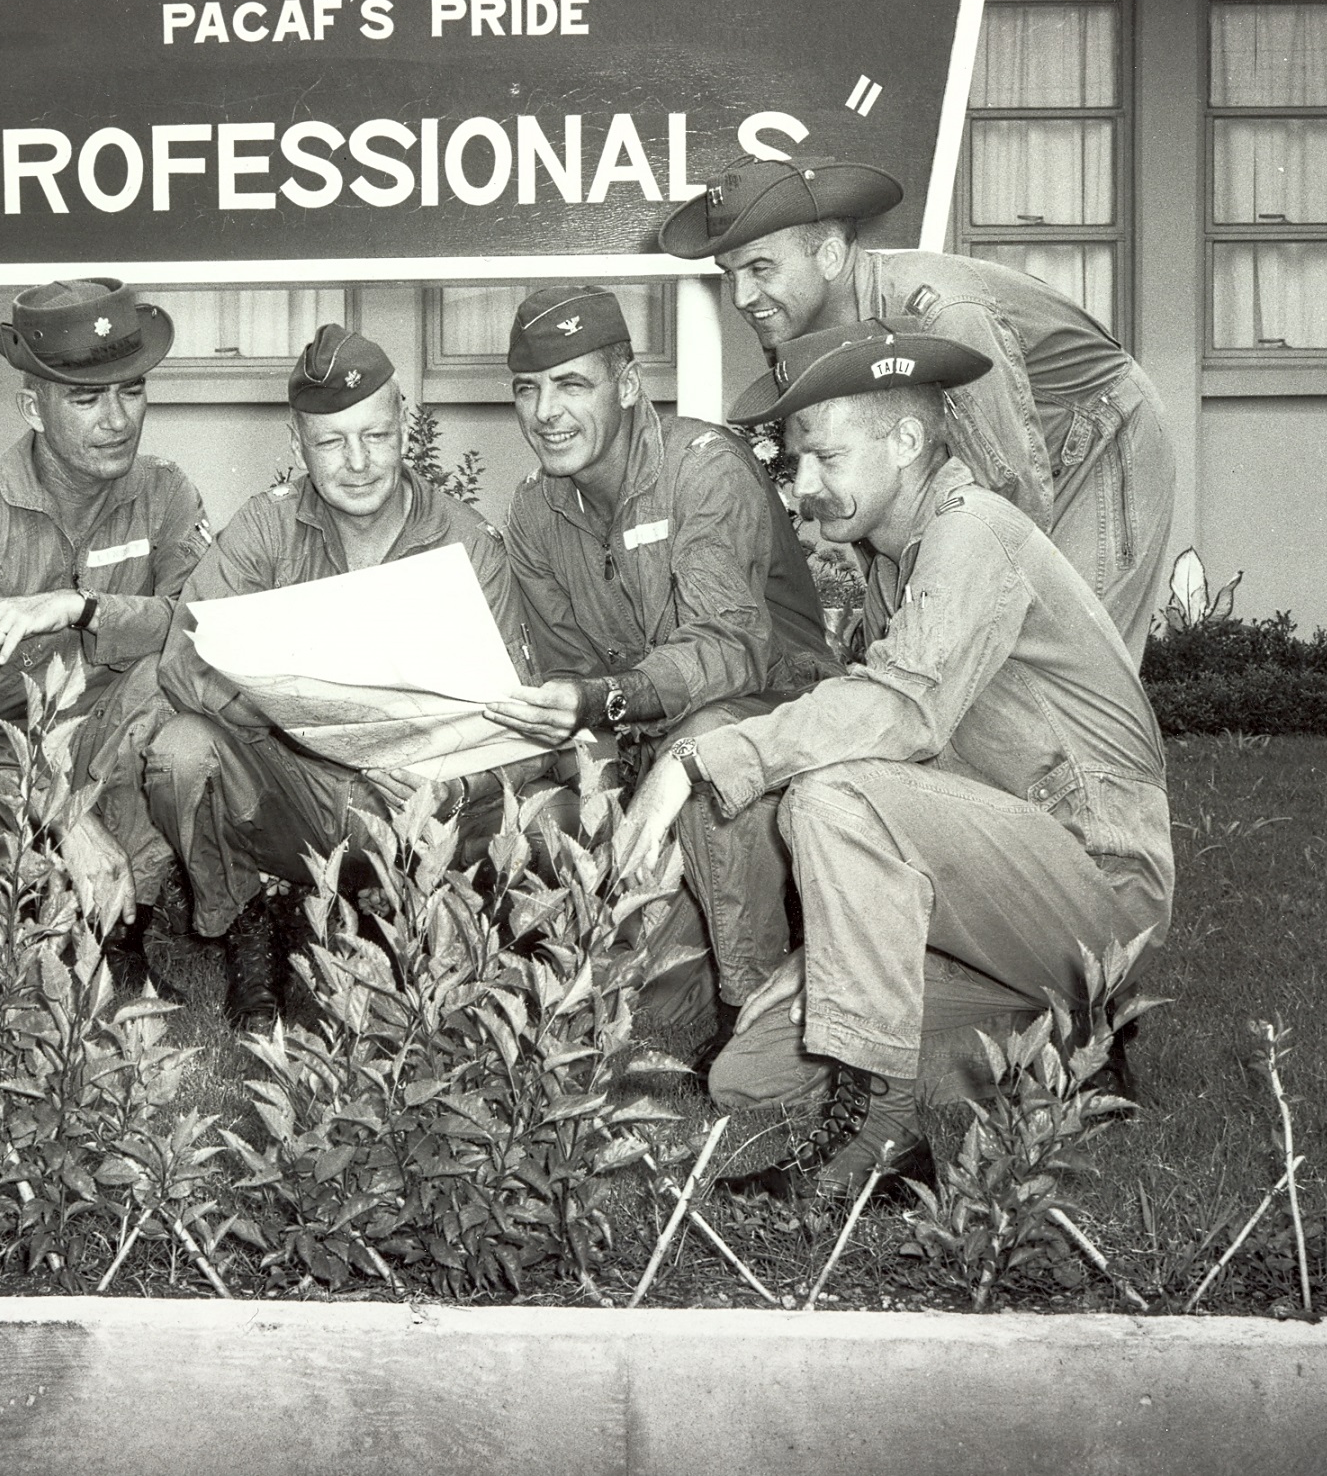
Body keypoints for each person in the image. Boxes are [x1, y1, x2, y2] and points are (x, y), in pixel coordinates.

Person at [614, 321, 1175, 1193]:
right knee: (749, 1073)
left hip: (1095, 886)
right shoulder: (892, 567)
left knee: (835, 798)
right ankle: (1062, 1045)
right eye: (792, 463)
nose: (802, 488)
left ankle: (877, 1139)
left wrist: (692, 760)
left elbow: (896, 713)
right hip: (983, 899)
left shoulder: (972, 532)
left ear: (906, 441)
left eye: (826, 458)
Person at [145, 324, 539, 1031]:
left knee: (409, 1020)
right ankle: (250, 916)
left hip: (412, 797)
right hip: (292, 781)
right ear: (298, 449)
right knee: (181, 751)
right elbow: (183, 657)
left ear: (402, 427)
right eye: (330, 442)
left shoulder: (467, 543)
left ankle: (384, 910)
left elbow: (519, 724)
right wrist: (278, 716)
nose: (357, 462)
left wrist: (452, 784)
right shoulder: (265, 529)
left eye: (375, 436)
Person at [483, 283, 841, 1045]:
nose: (546, 411)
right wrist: (595, 799)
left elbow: (731, 647)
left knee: (707, 753)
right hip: (645, 743)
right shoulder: (534, 509)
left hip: (774, 726)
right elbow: (572, 672)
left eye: (571, 384)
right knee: (547, 820)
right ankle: (656, 961)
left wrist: (603, 703)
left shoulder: (704, 469)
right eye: (527, 388)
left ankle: (750, 1013)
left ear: (626, 382)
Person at [659, 155, 1176, 659]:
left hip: (1095, 437)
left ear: (831, 257)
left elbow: (1007, 491)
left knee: (1061, 649)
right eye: (729, 274)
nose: (742, 296)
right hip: (999, 462)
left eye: (760, 268)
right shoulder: (794, 323)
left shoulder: (943, 313)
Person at [0, 278, 206, 986]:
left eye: (132, 390)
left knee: (175, 685)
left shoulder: (166, 493)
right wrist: (64, 815)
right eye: (86, 399)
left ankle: (120, 928)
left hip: (107, 752)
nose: (117, 419)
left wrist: (80, 606)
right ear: (31, 406)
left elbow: (204, 630)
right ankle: (19, 918)